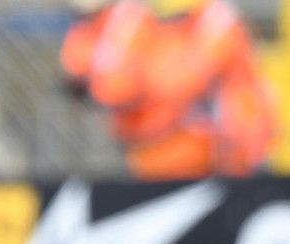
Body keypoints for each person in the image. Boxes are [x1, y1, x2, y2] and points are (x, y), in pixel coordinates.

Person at [61, 0, 276, 180]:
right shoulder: (125, 23)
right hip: (156, 147)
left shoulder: (214, 21)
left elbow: (184, 81)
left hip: (226, 147)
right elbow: (105, 83)